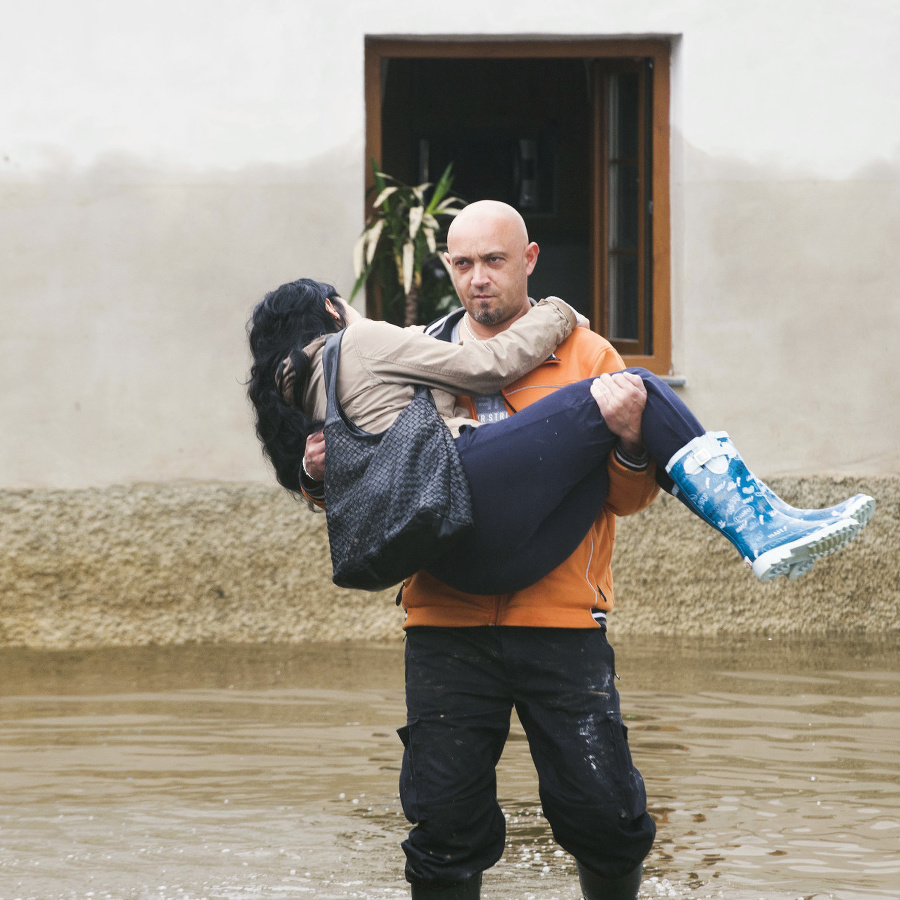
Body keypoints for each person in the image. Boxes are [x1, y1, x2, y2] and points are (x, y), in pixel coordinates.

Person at [249, 201, 873, 899]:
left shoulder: (588, 354)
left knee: (605, 816)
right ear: (447, 269)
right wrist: (312, 473)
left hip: (560, 618)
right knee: (443, 827)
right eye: (463, 264)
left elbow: (626, 500)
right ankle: (756, 521)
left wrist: (634, 445)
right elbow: (371, 479)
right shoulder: (416, 347)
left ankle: (758, 523)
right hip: (446, 622)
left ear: (529, 260)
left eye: (494, 261)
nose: (478, 278)